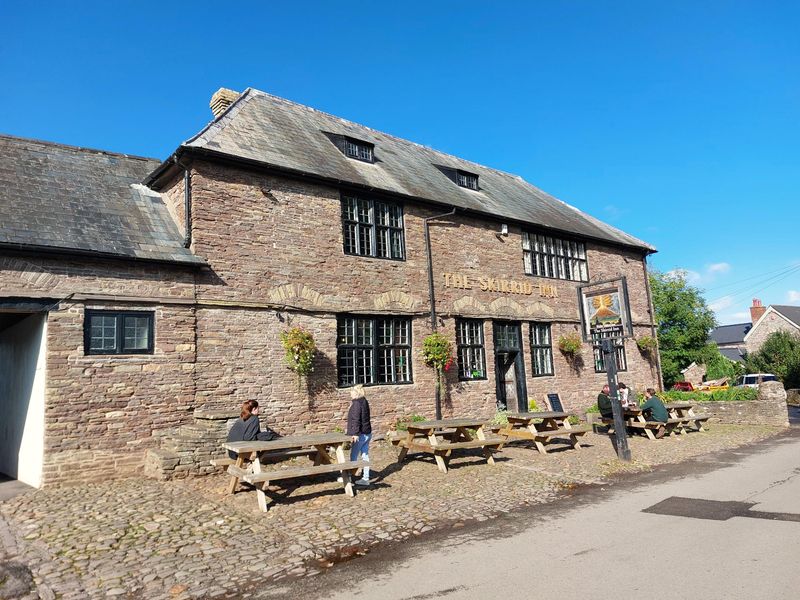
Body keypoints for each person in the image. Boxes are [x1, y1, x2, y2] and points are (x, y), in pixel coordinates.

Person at [346, 384, 372, 486]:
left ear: (356, 393)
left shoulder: (357, 403)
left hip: (360, 435)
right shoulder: (364, 401)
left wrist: (355, 433)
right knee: (365, 456)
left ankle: (349, 478)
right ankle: (365, 478)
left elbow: (356, 419)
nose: (350, 394)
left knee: (353, 456)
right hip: (367, 433)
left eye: (351, 392)